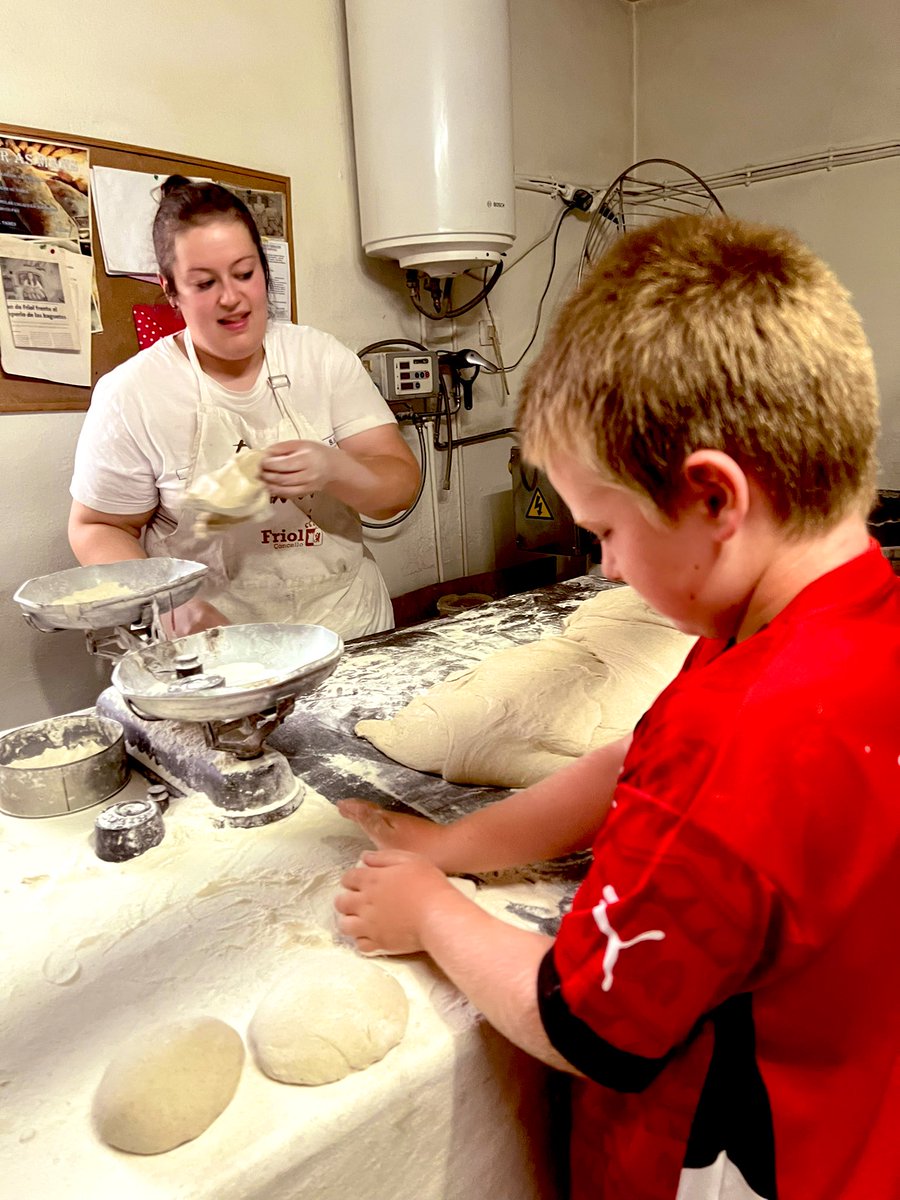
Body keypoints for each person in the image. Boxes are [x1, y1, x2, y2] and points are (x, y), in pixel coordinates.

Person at [334, 214, 900, 1199]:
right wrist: (452, 847)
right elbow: (626, 766)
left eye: (604, 530)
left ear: (713, 499)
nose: (607, 569)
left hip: (730, 1164)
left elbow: (585, 1025)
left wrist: (431, 911)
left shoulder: (739, 737)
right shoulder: (841, 622)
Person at [69, 176, 420, 639]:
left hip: (347, 627)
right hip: (216, 645)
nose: (231, 298)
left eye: (244, 273)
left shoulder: (320, 358)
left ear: (263, 270)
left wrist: (335, 469)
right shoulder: (133, 394)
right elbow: (96, 527)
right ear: (171, 289)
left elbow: (399, 486)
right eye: (204, 283)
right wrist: (167, 603)